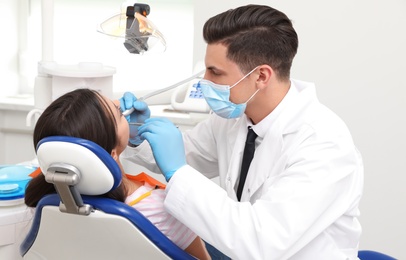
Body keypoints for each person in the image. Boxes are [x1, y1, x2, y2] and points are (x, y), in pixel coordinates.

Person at [120, 4, 364, 260]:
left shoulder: (323, 145)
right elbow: (186, 152)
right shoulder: (235, 116)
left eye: (215, 72)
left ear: (261, 76)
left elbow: (261, 242)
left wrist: (177, 173)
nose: (204, 82)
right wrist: (137, 135)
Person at [24, 88, 210, 260]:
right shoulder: (161, 210)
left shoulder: (46, 205)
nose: (118, 102)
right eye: (119, 113)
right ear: (112, 154)